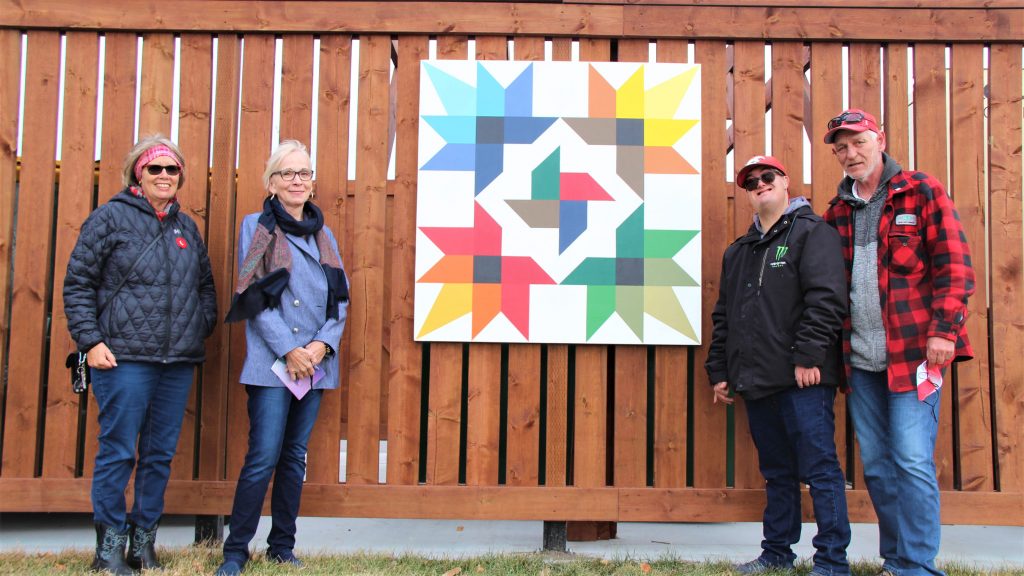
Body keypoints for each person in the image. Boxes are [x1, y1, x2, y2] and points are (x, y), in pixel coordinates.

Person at [822, 109, 975, 576]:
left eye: (858, 142)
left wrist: (945, 331)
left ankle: (917, 566)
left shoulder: (921, 190)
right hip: (860, 360)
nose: (851, 153)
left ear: (880, 139)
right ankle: (897, 559)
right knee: (877, 466)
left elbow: (955, 265)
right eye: (841, 148)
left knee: (911, 460)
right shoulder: (836, 212)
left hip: (915, 357)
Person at [63, 135, 218, 574]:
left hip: (176, 362)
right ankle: (109, 549)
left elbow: (205, 286)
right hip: (122, 360)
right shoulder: (109, 218)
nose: (165, 176)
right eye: (155, 168)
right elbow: (78, 284)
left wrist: (199, 324)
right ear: (138, 173)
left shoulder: (186, 228)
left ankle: (142, 544)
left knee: (159, 455)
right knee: (118, 452)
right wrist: (91, 342)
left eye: (172, 169)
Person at [706, 156, 851, 575]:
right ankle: (776, 554)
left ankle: (832, 561)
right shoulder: (738, 251)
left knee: (820, 469)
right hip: (756, 380)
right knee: (776, 472)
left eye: (767, 176)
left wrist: (809, 356)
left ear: (785, 182)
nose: (759, 184)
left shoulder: (813, 233)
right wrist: (720, 371)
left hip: (803, 379)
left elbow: (826, 299)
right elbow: (725, 315)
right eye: (750, 181)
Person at [215, 140, 349, 576]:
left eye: (304, 173)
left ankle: (282, 546)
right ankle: (236, 551)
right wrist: (290, 349)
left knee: (294, 457)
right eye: (287, 173)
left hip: (314, 364)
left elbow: (340, 299)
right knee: (263, 456)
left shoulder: (323, 234)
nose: (297, 180)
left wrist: (321, 346)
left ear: (312, 183)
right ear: (271, 183)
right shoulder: (256, 227)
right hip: (273, 364)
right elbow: (250, 293)